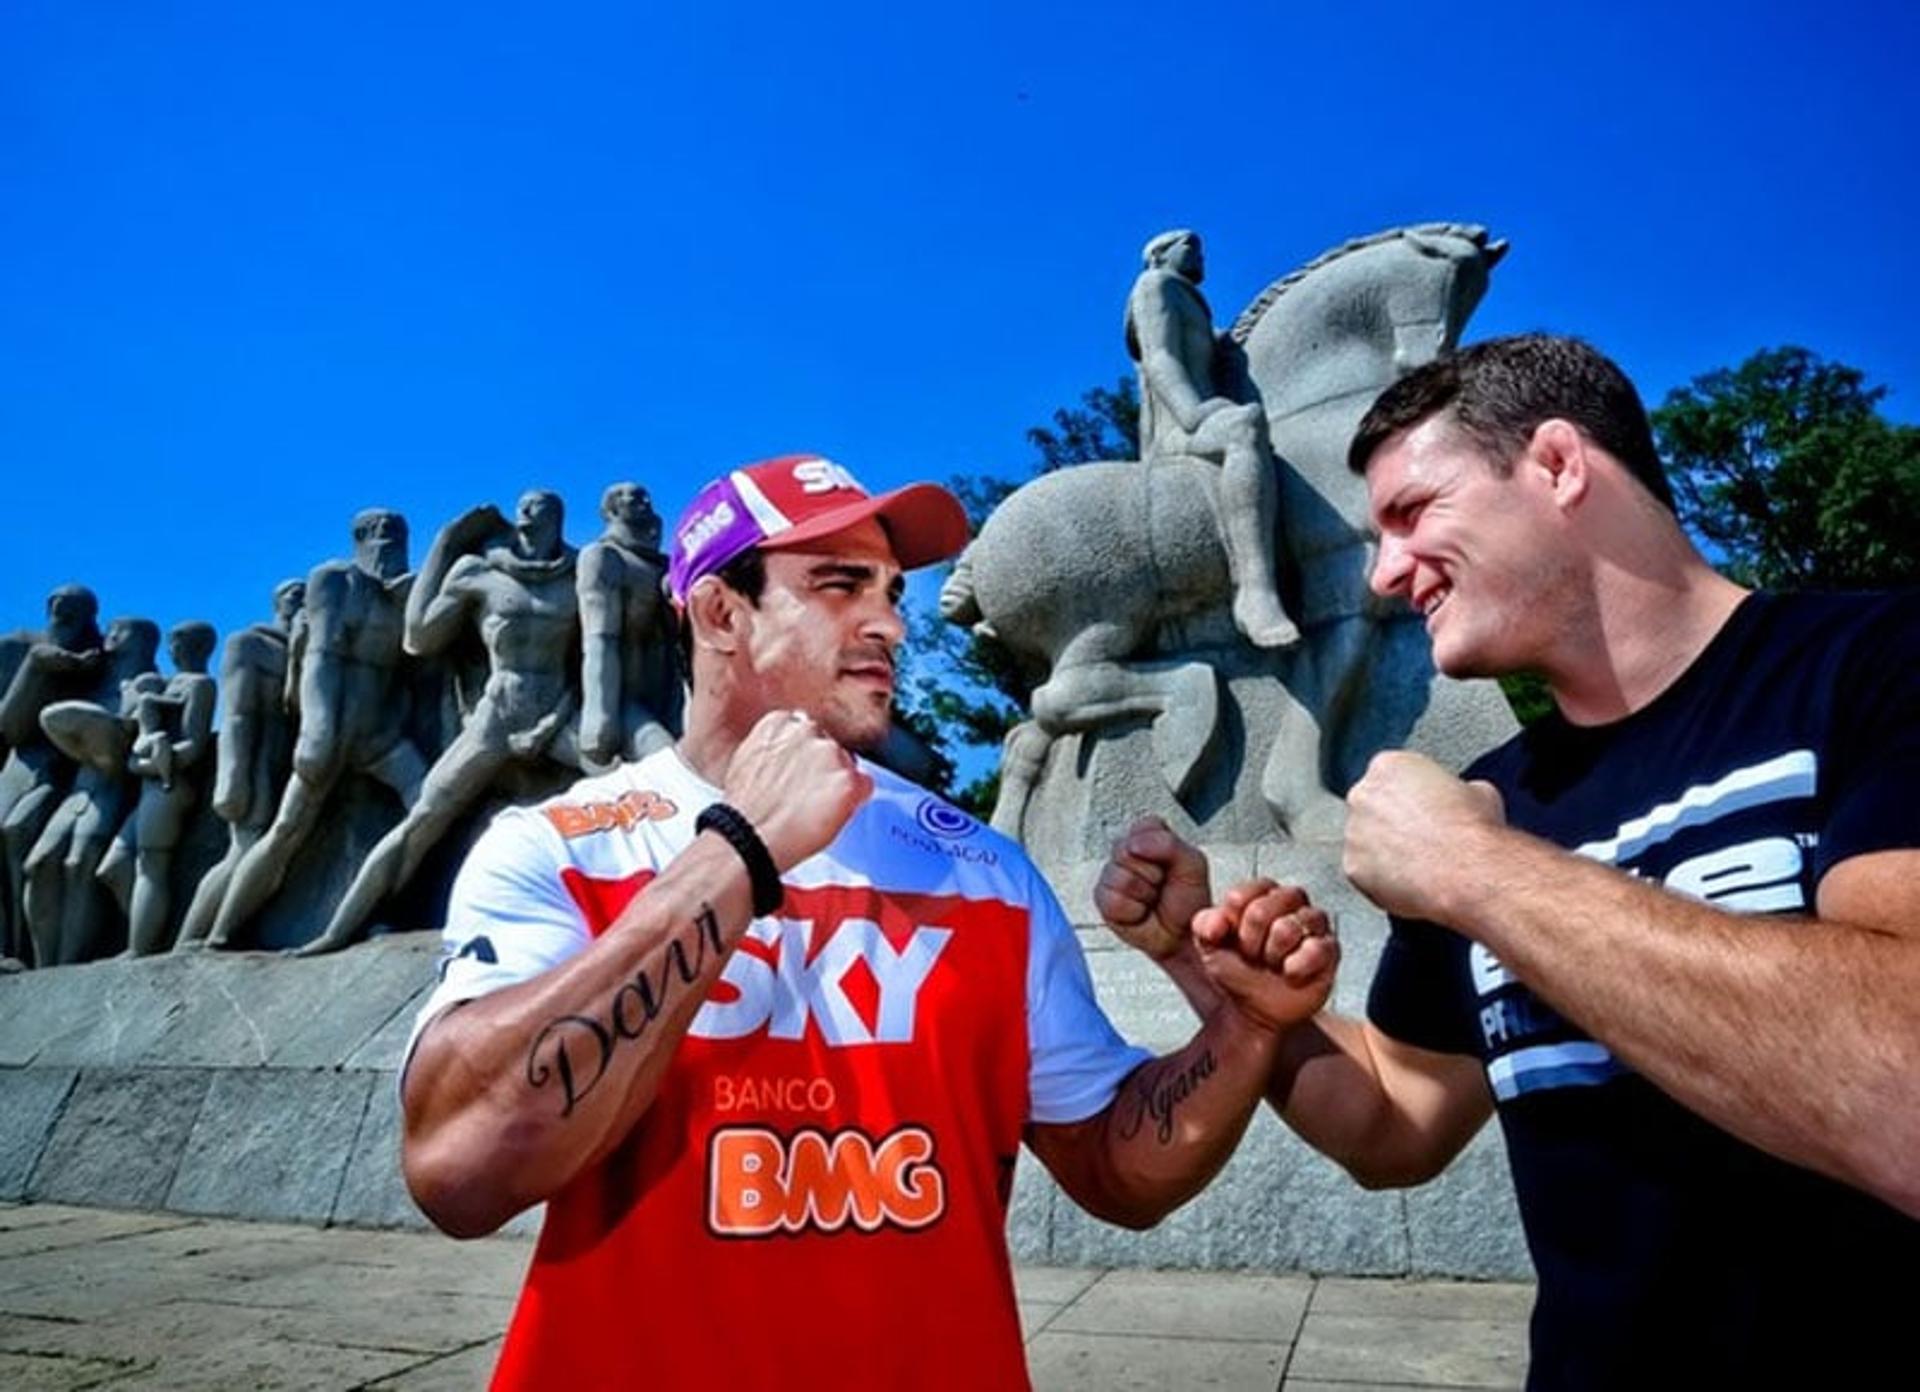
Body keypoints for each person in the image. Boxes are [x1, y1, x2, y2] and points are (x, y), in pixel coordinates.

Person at [400, 453, 1339, 1391]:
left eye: (891, 591)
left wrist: (1244, 1029)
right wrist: (740, 850)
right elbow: (462, 1170)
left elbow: (1115, 1171)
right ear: (723, 614)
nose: (890, 622)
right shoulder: (557, 848)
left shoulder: (986, 871)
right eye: (839, 585)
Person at [1099, 334, 1920, 1388]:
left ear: (1560, 466)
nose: (1387, 576)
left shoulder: (1879, 665)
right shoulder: (1493, 795)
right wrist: (1226, 990)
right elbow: (1396, 1124)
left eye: (1411, 513)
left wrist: (1477, 872)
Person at [300, 490, 584, 955]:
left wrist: (554, 722)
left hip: (557, 710)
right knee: (424, 816)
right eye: (525, 504)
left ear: (561, 517)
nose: (530, 510)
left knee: (632, 782)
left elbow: (593, 652)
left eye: (544, 505)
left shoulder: (579, 571)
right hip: (497, 714)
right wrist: (445, 544)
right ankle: (339, 929)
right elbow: (418, 637)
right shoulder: (479, 573)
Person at [208, 509, 427, 949]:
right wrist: (318, 732)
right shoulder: (334, 581)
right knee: (287, 832)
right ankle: (221, 930)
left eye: (397, 534)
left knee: (429, 807)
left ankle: (387, 910)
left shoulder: (409, 592)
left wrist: (411, 597)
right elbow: (320, 660)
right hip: (333, 729)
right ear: (360, 538)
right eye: (378, 533)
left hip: (378, 735)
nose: (388, 541)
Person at [1126, 228, 1297, 649]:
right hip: (1177, 432)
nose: (1201, 254)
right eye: (1191, 246)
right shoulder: (1155, 285)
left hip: (1202, 416)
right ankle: (1255, 593)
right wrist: (1192, 413)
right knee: (1244, 428)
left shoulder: (1192, 304)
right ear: (1160, 255)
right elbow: (1159, 357)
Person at [577, 481, 680, 768]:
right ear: (611, 509)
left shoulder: (665, 565)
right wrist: (600, 717)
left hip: (669, 698)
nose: (643, 501)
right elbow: (599, 639)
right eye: (631, 497)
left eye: (645, 496)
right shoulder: (603, 557)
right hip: (622, 701)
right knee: (668, 765)